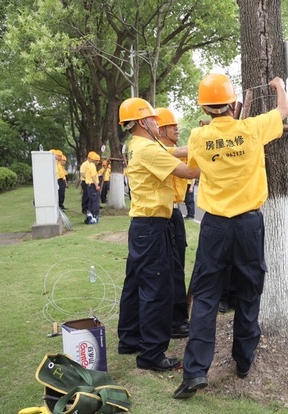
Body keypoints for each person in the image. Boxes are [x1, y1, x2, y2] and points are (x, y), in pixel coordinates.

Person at [174, 74, 288, 399]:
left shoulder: (198, 136)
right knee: (249, 290)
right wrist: (279, 85)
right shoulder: (251, 129)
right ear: (232, 103)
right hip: (249, 224)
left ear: (205, 108)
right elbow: (284, 110)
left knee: (207, 295)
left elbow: (194, 169)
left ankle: (195, 371)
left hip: (214, 226)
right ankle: (243, 360)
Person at [117, 97, 199, 373]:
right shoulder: (149, 149)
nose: (158, 124)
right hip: (153, 226)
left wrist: (200, 143)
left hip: (141, 225)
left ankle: (129, 339)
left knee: (135, 284)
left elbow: (174, 152)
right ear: (142, 122)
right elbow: (190, 170)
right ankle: (151, 353)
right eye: (154, 120)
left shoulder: (139, 146)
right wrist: (211, 151)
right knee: (156, 289)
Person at [155, 107, 191, 339]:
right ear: (160, 129)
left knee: (177, 266)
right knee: (172, 269)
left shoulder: (171, 150)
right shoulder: (159, 151)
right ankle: (175, 321)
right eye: (172, 126)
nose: (177, 129)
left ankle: (176, 318)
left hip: (175, 213)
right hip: (165, 214)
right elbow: (179, 152)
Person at [84, 151, 101, 224]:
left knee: (91, 201)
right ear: (95, 161)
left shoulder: (89, 166)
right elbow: (93, 177)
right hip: (92, 185)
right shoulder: (93, 167)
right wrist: (97, 185)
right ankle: (94, 215)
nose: (98, 162)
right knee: (95, 201)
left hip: (89, 185)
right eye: (97, 161)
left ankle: (90, 215)